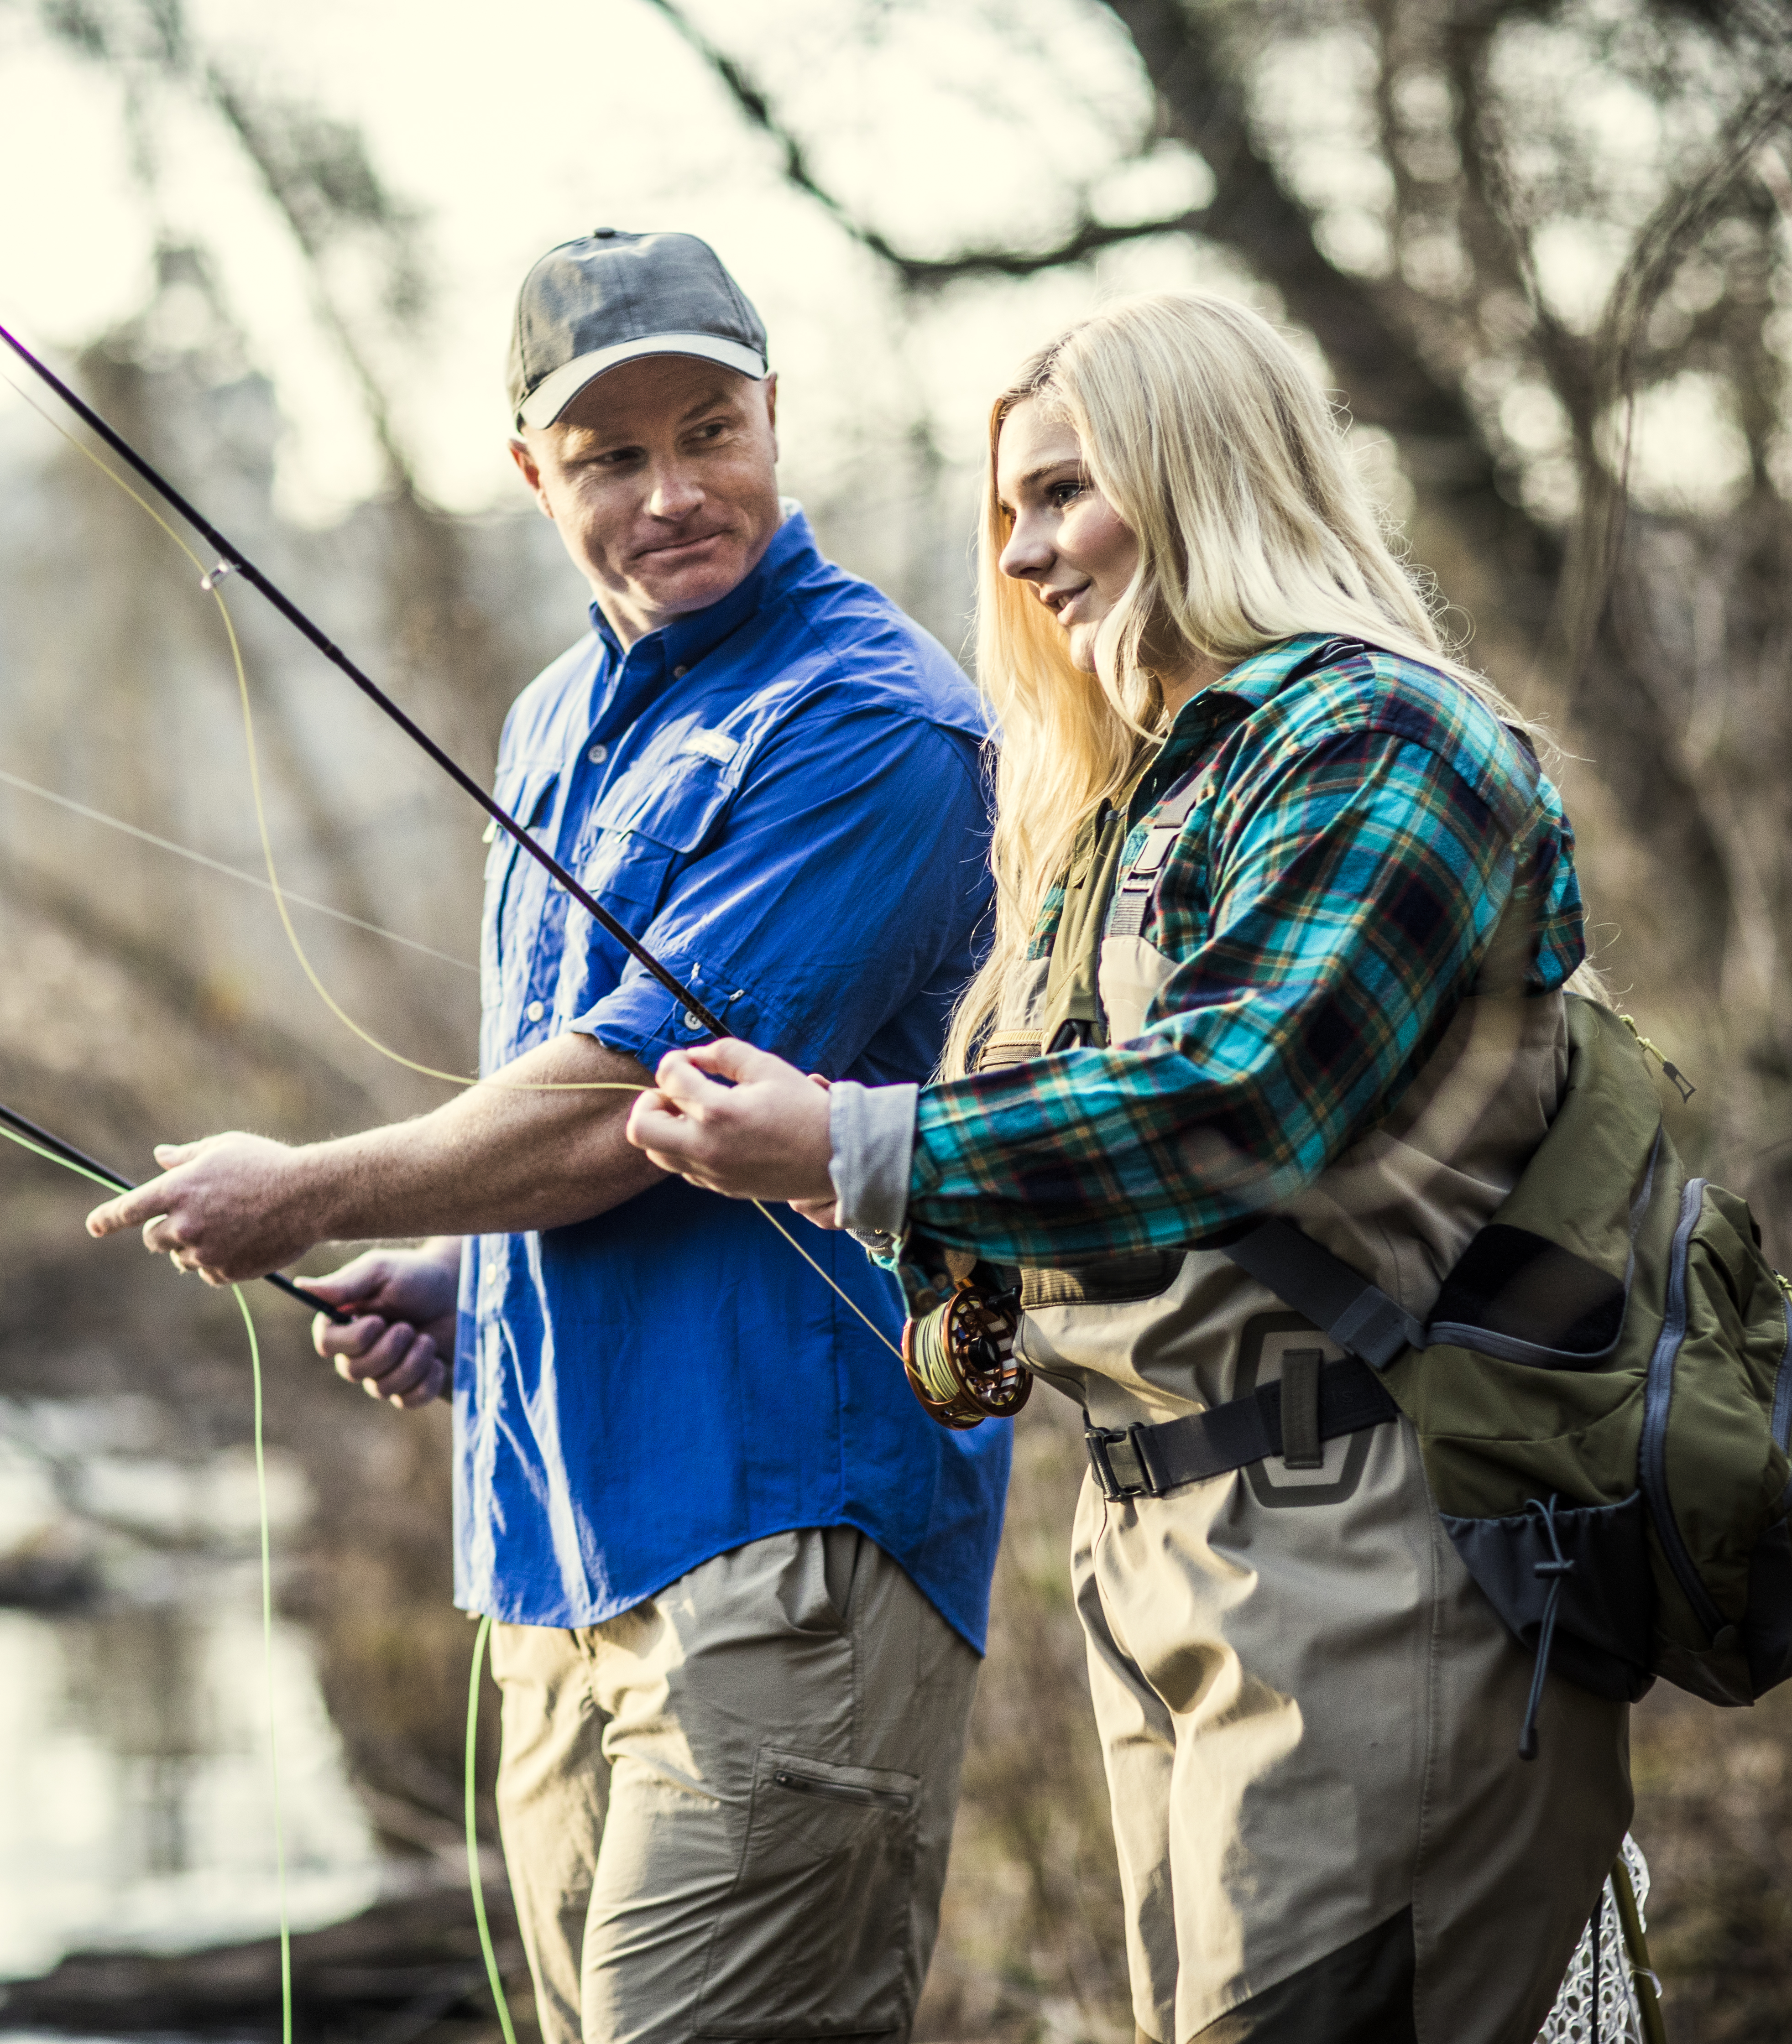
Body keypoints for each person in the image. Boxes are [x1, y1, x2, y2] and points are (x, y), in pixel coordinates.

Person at [624, 290, 1641, 2043]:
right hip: (1152, 1557)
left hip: (1377, 1547)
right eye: (1005, 511)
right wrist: (878, 1204)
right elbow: (1009, 1297)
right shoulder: (1113, 807)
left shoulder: (1385, 744)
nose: (1021, 555)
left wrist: (869, 1141)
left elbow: (1238, 1104)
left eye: (1067, 494)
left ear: (1204, 473)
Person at [86, 230, 1012, 2044]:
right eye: (609, 456)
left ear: (774, 419)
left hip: (787, 1557)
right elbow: (556, 1131)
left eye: (710, 431)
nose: (674, 493)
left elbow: (614, 1113)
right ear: (532, 474)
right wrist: (464, 1270)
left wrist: (310, 1188)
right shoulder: (552, 718)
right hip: (552, 1573)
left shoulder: (874, 724)